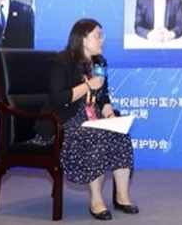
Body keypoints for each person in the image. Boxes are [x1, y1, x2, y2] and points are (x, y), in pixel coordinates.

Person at [33, 19, 138, 219]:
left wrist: (111, 117)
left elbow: (103, 97)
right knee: (95, 135)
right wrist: (89, 85)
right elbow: (59, 98)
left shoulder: (99, 63)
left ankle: (122, 196)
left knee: (120, 135)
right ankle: (96, 201)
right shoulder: (60, 62)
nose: (102, 40)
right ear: (82, 39)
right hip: (63, 124)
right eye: (97, 36)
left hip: (92, 120)